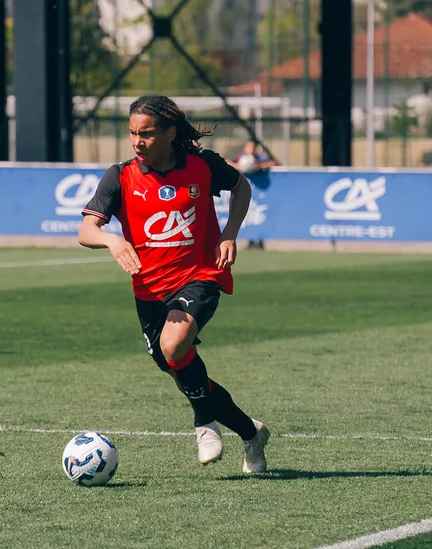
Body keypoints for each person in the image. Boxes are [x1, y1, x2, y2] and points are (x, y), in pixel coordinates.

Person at [77, 94, 270, 473]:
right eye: (132, 133)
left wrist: (229, 232)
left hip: (201, 275)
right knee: (178, 364)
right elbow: (86, 229)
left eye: (146, 133)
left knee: (175, 344)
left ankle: (203, 424)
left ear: (169, 132)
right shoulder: (121, 176)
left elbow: (242, 187)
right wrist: (112, 239)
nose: (137, 141)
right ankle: (251, 433)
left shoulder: (202, 166)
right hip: (149, 290)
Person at [229, 139, 278, 250]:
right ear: (245, 148)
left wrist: (259, 166)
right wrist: (239, 167)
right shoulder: (240, 158)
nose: (251, 149)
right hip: (244, 190)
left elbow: (274, 163)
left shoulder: (260, 158)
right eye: (249, 147)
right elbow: (227, 162)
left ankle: (260, 240)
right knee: (246, 215)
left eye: (253, 147)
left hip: (260, 192)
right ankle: (250, 240)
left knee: (260, 215)